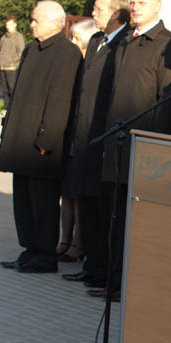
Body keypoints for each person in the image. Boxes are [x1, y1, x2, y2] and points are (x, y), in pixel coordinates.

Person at [96, 0, 171, 299]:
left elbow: (167, 100)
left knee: (136, 222)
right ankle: (113, 280)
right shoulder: (125, 41)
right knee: (114, 216)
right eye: (133, 3)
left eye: (142, 3)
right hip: (116, 143)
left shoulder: (167, 43)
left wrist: (155, 145)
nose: (135, 8)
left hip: (144, 147)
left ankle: (131, 285)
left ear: (158, 7)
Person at [0, 1, 82, 273]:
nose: (31, 24)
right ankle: (29, 249)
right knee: (23, 200)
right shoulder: (32, 49)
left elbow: (60, 100)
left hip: (43, 144)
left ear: (55, 23)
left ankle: (45, 255)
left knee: (43, 202)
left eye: (36, 20)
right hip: (22, 138)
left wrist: (46, 138)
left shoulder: (67, 53)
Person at [61, 0, 130, 290]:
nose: (94, 13)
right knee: (85, 202)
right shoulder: (95, 41)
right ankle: (90, 265)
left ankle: (102, 267)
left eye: (99, 8)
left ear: (116, 13)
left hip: (104, 137)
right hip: (84, 135)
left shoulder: (124, 44)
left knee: (101, 207)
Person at [56, 19, 100, 263]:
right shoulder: (74, 66)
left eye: (77, 39)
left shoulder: (92, 66)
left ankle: (77, 244)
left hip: (84, 139)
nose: (73, 43)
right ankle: (64, 240)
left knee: (78, 194)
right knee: (67, 194)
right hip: (70, 135)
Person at [0, 16, 25, 117]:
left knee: (12, 89)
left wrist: (13, 61)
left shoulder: (18, 37)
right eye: (7, 25)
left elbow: (21, 52)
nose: (8, 27)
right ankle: (6, 109)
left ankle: (14, 110)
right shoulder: (3, 37)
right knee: (4, 90)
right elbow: (0, 50)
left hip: (12, 67)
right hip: (2, 66)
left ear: (15, 25)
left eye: (10, 24)